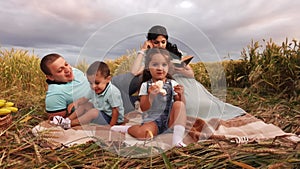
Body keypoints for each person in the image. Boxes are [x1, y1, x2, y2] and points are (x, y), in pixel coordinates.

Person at [129, 25, 246, 120]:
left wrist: (178, 69)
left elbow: (191, 74)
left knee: (207, 105)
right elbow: (134, 72)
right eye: (156, 42)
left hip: (187, 83)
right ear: (150, 42)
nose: (160, 45)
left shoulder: (175, 52)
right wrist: (143, 50)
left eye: (163, 42)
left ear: (167, 41)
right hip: (169, 84)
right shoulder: (150, 56)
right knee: (187, 107)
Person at [112, 48, 187, 147]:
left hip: (169, 121)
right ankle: (129, 128)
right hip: (152, 120)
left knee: (179, 104)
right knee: (144, 135)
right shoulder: (145, 85)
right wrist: (150, 96)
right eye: (155, 64)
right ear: (148, 67)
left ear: (168, 67)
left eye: (164, 65)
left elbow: (181, 105)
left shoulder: (172, 84)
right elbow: (144, 108)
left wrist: (180, 95)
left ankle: (177, 140)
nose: (160, 68)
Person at [51, 61, 124, 129]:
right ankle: (66, 120)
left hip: (112, 119)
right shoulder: (94, 89)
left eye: (97, 83)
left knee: (93, 112)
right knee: (86, 105)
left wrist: (111, 126)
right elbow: (84, 99)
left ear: (108, 79)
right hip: (102, 113)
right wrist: (75, 103)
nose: (93, 86)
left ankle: (69, 124)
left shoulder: (112, 92)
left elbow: (116, 111)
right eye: (90, 83)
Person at [40, 53, 90, 120]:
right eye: (60, 70)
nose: (67, 70)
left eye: (66, 64)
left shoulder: (73, 71)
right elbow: (58, 121)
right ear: (50, 77)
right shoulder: (55, 94)